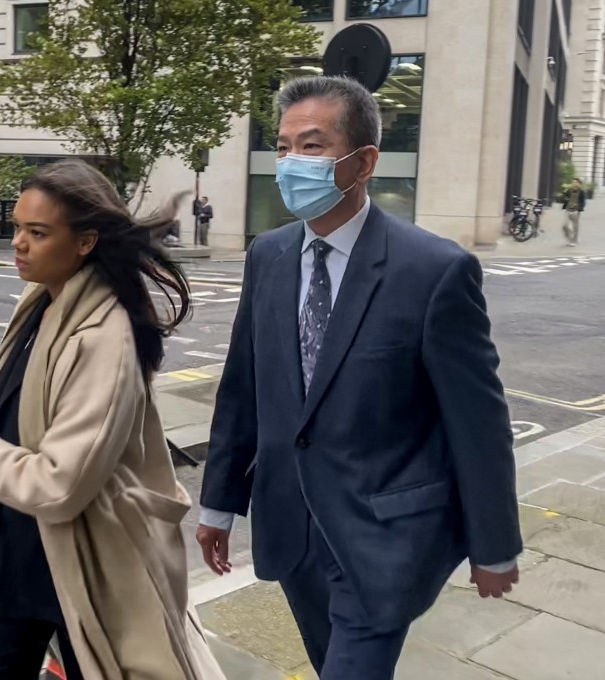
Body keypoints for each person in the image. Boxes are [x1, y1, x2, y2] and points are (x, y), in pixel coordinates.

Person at [196, 75, 522, 680]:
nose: (292, 162)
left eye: (313, 146)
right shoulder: (267, 255)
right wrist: (219, 504)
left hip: (386, 537)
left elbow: (477, 422)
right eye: (285, 146)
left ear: (364, 161)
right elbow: (242, 389)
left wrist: (494, 543)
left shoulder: (434, 270)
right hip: (291, 529)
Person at [0, 159, 225, 680]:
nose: (19, 244)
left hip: (84, 558)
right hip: (20, 547)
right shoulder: (42, 303)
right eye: (17, 229)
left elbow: (63, 484)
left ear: (85, 242)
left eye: (38, 232)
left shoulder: (104, 336)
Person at [562, 177, 586, 246]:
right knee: (564, 225)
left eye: (576, 182)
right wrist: (564, 195)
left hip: (576, 211)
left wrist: (579, 208)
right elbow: (564, 198)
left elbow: (583, 202)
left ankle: (574, 241)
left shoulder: (581, 192)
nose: (574, 184)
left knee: (575, 227)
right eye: (573, 182)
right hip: (568, 209)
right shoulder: (569, 190)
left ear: (579, 184)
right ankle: (569, 238)